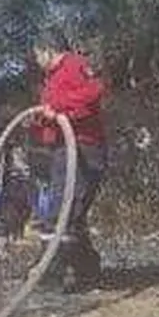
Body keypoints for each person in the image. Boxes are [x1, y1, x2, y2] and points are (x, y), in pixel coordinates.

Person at [29, 30, 108, 292]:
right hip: (63, 148)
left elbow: (94, 91)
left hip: (83, 149)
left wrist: (59, 108)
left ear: (47, 50)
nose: (36, 61)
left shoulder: (75, 65)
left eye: (37, 55)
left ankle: (52, 273)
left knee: (62, 212)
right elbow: (52, 111)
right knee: (72, 215)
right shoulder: (51, 78)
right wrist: (40, 118)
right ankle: (87, 271)